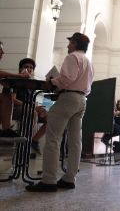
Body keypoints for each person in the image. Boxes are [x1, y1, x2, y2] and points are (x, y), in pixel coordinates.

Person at [26, 32, 94, 192]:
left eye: (70, 42)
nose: (68, 45)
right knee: (75, 141)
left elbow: (67, 79)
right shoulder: (88, 61)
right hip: (82, 100)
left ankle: (48, 180)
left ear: (76, 43)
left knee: (52, 139)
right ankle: (70, 178)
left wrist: (51, 82)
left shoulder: (72, 57)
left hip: (68, 98)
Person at [12, 58, 48, 154]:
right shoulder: (15, 81)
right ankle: (24, 144)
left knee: (50, 117)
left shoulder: (32, 84)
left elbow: (32, 102)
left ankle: (34, 141)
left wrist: (39, 107)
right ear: (20, 69)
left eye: (31, 67)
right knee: (32, 113)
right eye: (26, 67)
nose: (29, 69)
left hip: (29, 108)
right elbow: (13, 99)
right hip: (15, 108)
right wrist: (32, 107)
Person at [0, 41, 30, 142]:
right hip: (17, 106)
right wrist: (19, 76)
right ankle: (6, 130)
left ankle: (6, 130)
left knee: (5, 98)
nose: (3, 52)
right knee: (6, 98)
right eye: (0, 49)